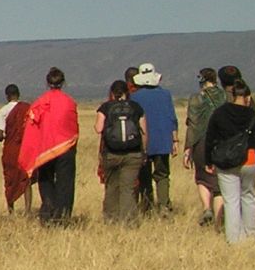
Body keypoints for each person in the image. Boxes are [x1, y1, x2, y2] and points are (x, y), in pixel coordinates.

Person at [204, 79, 255, 244]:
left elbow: (210, 138)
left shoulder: (219, 113)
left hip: (226, 162)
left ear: (231, 95)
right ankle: (251, 234)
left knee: (231, 200)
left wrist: (208, 161)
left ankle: (234, 239)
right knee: (249, 197)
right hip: (250, 161)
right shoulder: (253, 116)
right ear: (248, 97)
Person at [20, 67, 79, 224]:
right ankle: (63, 217)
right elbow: (74, 127)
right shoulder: (69, 102)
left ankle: (48, 212)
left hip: (45, 150)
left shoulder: (39, 102)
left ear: (47, 82)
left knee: (45, 181)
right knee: (65, 183)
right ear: (63, 82)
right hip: (66, 148)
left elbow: (31, 129)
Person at [95, 79, 147, 222]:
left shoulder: (105, 107)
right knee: (128, 188)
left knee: (111, 187)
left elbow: (98, 128)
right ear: (127, 92)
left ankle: (111, 219)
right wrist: (143, 152)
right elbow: (144, 132)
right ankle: (129, 220)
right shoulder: (136, 107)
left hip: (111, 154)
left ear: (112, 93)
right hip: (133, 153)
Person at [130, 63, 178, 213]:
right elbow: (172, 119)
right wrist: (175, 140)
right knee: (162, 175)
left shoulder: (135, 97)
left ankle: (146, 207)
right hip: (163, 141)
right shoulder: (165, 95)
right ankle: (164, 206)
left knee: (144, 176)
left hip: (143, 142)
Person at [182, 67, 226, 227]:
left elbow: (192, 125)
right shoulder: (224, 95)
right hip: (221, 141)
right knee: (219, 185)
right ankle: (219, 220)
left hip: (200, 141)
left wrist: (188, 148)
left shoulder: (195, 98)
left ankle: (207, 208)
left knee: (202, 177)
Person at [0, 83, 31, 213]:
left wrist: (0, 138)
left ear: (7, 96)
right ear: (18, 94)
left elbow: (0, 134)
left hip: (10, 149)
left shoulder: (3, 111)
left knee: (9, 179)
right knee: (26, 179)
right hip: (26, 149)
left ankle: (11, 210)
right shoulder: (28, 109)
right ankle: (27, 209)